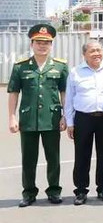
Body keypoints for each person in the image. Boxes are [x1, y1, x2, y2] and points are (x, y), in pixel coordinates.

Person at [7, 24, 68, 207]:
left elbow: (64, 92)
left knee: (53, 157)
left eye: (47, 43)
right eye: (39, 42)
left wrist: (65, 116)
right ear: (32, 44)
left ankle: (54, 191)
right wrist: (11, 116)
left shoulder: (60, 66)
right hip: (28, 120)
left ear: (51, 45)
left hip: (51, 119)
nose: (42, 46)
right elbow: (14, 93)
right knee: (28, 158)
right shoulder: (21, 67)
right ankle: (29, 192)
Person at [65, 40, 103, 205]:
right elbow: (69, 99)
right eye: (92, 51)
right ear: (84, 55)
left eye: (99, 50)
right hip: (83, 118)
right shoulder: (75, 72)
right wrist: (70, 122)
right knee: (81, 155)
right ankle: (81, 191)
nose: (96, 54)